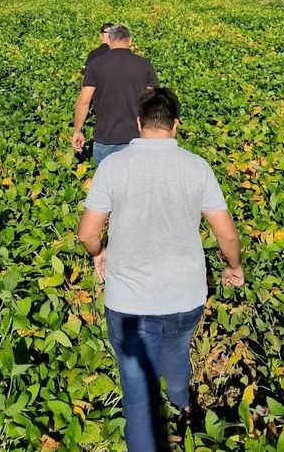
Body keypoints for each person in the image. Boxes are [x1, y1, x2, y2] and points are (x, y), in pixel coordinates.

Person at [77, 88, 245, 452]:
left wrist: (99, 253)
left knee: (138, 400)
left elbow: (87, 233)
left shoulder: (113, 166)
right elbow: (226, 233)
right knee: (177, 350)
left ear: (138, 124)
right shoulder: (196, 166)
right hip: (184, 297)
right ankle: (181, 405)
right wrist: (234, 266)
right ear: (176, 126)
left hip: (129, 303)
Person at [72, 24, 159, 165]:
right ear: (130, 40)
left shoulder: (95, 64)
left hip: (105, 137)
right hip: (137, 137)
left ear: (109, 40)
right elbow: (153, 101)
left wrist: (77, 130)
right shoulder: (144, 64)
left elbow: (84, 101)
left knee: (107, 183)